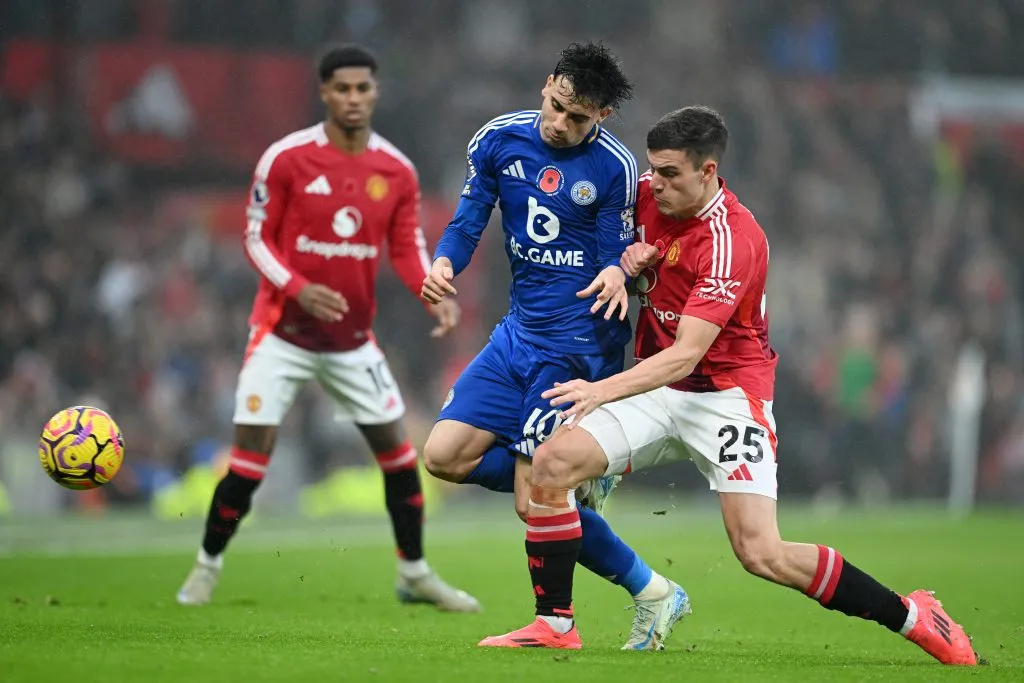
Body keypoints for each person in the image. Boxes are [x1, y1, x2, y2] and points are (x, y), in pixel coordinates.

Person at [483, 105, 979, 665]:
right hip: (657, 387)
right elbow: (600, 248)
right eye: (653, 169)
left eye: (671, 173)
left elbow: (688, 354)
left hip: (725, 398)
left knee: (761, 553)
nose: (656, 184)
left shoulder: (734, 239)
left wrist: (601, 390)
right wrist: (625, 264)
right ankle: (555, 623)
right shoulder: (642, 194)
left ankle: (913, 616)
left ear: (709, 171)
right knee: (550, 465)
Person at [176, 45, 478, 613]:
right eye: (343, 89)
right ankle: (205, 567)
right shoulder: (286, 159)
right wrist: (298, 288)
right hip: (281, 336)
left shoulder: (396, 171)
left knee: (398, 456)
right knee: (249, 461)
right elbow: (255, 238)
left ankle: (413, 572)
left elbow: (407, 250)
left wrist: (430, 294)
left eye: (363, 89)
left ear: (375, 93)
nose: (354, 98)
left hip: (351, 343)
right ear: (325, 93)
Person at [421, 42, 688, 650]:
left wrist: (620, 271)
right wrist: (443, 264)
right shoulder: (497, 140)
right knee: (443, 455)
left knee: (531, 500)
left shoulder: (615, 169)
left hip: (577, 348)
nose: (562, 125)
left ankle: (561, 623)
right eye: (558, 106)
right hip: (515, 336)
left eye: (579, 118)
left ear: (602, 118)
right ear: (547, 85)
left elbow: (612, 257)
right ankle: (622, 551)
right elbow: (469, 220)